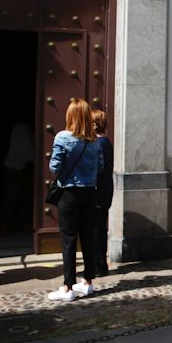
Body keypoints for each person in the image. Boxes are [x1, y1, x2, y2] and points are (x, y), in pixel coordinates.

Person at [48, 98, 104, 301]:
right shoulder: (95, 140)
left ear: (70, 115)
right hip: (89, 192)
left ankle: (68, 287)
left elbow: (54, 167)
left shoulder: (62, 137)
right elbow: (100, 167)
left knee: (68, 239)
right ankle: (88, 282)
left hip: (69, 193)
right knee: (88, 237)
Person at [0, 121, 33, 235]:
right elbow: (27, 149)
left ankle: (19, 223)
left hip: (17, 166)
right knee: (14, 197)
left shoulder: (19, 128)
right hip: (17, 167)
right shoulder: (21, 128)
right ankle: (4, 225)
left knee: (19, 197)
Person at [91, 110, 114, 275]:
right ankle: (99, 263)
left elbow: (98, 170)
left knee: (97, 229)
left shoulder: (99, 144)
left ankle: (98, 264)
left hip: (98, 192)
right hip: (104, 191)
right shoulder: (105, 142)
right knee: (98, 227)